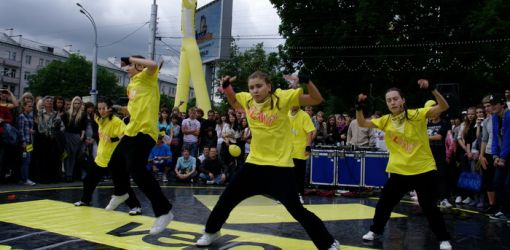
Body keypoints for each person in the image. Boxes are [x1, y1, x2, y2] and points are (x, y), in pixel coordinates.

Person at [195, 71, 339, 250]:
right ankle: (211, 231)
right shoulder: (247, 100)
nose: (255, 90)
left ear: (269, 86)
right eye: (252, 87)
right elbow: (233, 102)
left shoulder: (281, 98)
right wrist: (226, 88)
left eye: (259, 86)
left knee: (297, 210)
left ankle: (328, 242)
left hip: (279, 167)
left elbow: (316, 99)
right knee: (227, 199)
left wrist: (306, 81)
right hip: (254, 164)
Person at [356, 79, 452, 250]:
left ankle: (443, 238)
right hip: (399, 170)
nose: (392, 102)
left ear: (403, 100)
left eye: (395, 98)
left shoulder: (417, 114)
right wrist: (359, 107)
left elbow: (443, 107)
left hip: (422, 169)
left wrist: (433, 89)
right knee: (384, 203)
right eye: (389, 100)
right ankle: (375, 230)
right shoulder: (385, 120)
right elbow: (363, 123)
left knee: (429, 206)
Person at [106, 55, 173, 235]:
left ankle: (164, 211)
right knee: (114, 164)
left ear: (137, 65)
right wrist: (119, 109)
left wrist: (130, 58)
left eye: (128, 66)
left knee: (136, 170)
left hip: (145, 132)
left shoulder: (148, 77)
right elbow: (134, 107)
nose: (126, 69)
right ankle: (121, 192)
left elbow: (151, 64)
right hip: (131, 131)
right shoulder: (132, 84)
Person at [74, 98, 142, 216]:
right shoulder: (99, 119)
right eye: (99, 108)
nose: (101, 111)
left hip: (114, 159)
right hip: (101, 158)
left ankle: (136, 206)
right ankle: (85, 200)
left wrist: (113, 139)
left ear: (109, 108)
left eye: (104, 108)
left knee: (122, 185)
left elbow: (126, 135)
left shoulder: (116, 122)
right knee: (89, 180)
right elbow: (90, 113)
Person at [289, 105, 316, 204]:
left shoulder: (304, 115)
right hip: (288, 150)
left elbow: (310, 132)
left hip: (300, 150)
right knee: (288, 174)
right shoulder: (287, 113)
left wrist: (308, 147)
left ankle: (299, 194)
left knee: (299, 174)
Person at [17, 98, 35, 186]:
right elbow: (20, 131)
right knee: (25, 161)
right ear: (24, 107)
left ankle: (24, 178)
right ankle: (25, 179)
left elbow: (30, 129)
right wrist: (23, 142)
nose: (31, 108)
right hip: (25, 142)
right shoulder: (21, 116)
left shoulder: (30, 117)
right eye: (29, 106)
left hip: (30, 142)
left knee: (27, 161)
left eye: (32, 106)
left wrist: (32, 131)